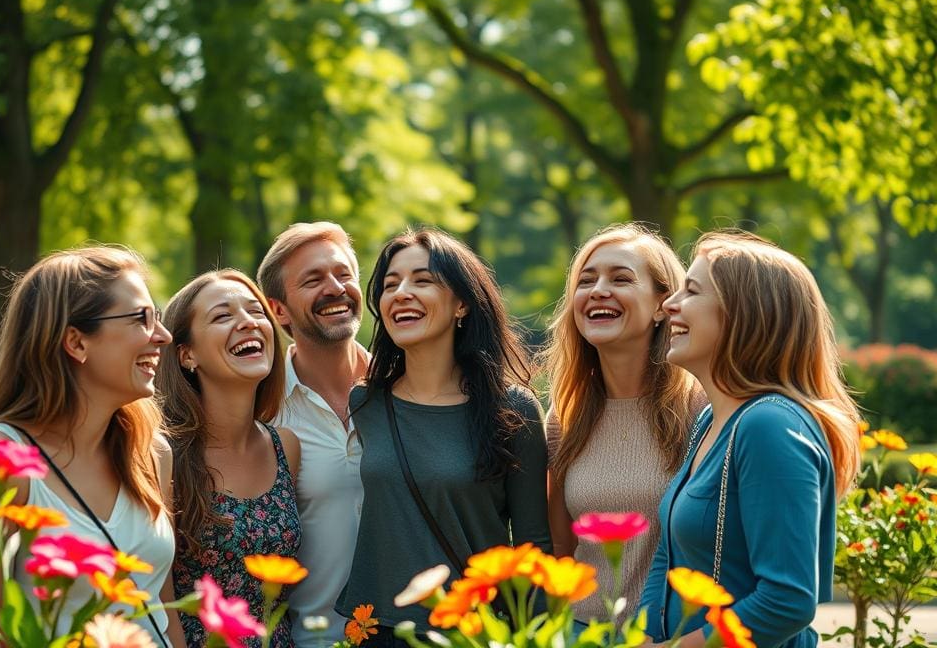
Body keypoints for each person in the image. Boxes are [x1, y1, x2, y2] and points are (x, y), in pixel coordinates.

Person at [639, 231, 861, 648]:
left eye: (692, 291)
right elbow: (668, 557)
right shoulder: (708, 421)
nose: (669, 305)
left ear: (743, 314)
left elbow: (788, 600)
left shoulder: (769, 426)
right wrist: (644, 637)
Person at [337, 227, 551, 643]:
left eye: (423, 280)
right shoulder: (365, 404)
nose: (401, 292)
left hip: (469, 632)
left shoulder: (514, 410)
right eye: (390, 284)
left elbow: (533, 546)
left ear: (462, 304)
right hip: (373, 628)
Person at [0, 246, 185, 647]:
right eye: (143, 318)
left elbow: (162, 606)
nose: (163, 335)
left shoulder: (153, 454)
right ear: (76, 342)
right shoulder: (0, 463)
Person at [544, 224, 704, 624]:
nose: (598, 290)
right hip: (583, 632)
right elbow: (561, 549)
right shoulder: (565, 415)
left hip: (672, 635)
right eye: (586, 280)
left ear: (662, 305)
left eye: (621, 279)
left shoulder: (700, 409)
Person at [157, 270, 301, 648]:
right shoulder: (164, 454)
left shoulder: (285, 447)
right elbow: (159, 594)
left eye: (256, 311)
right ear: (187, 355)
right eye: (223, 316)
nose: (248, 322)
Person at [256, 222, 369, 648]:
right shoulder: (261, 412)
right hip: (309, 640)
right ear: (279, 310)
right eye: (313, 280)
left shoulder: (404, 393)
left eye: (344, 274)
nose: (335, 288)